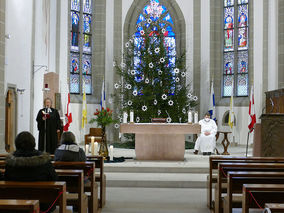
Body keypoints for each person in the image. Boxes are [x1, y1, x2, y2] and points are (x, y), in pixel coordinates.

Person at [4, 131, 57, 212]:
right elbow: (54, 178)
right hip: (43, 205)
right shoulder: (44, 159)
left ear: (16, 143)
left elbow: (6, 179)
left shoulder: (11, 161)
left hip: (15, 205)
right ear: (33, 142)